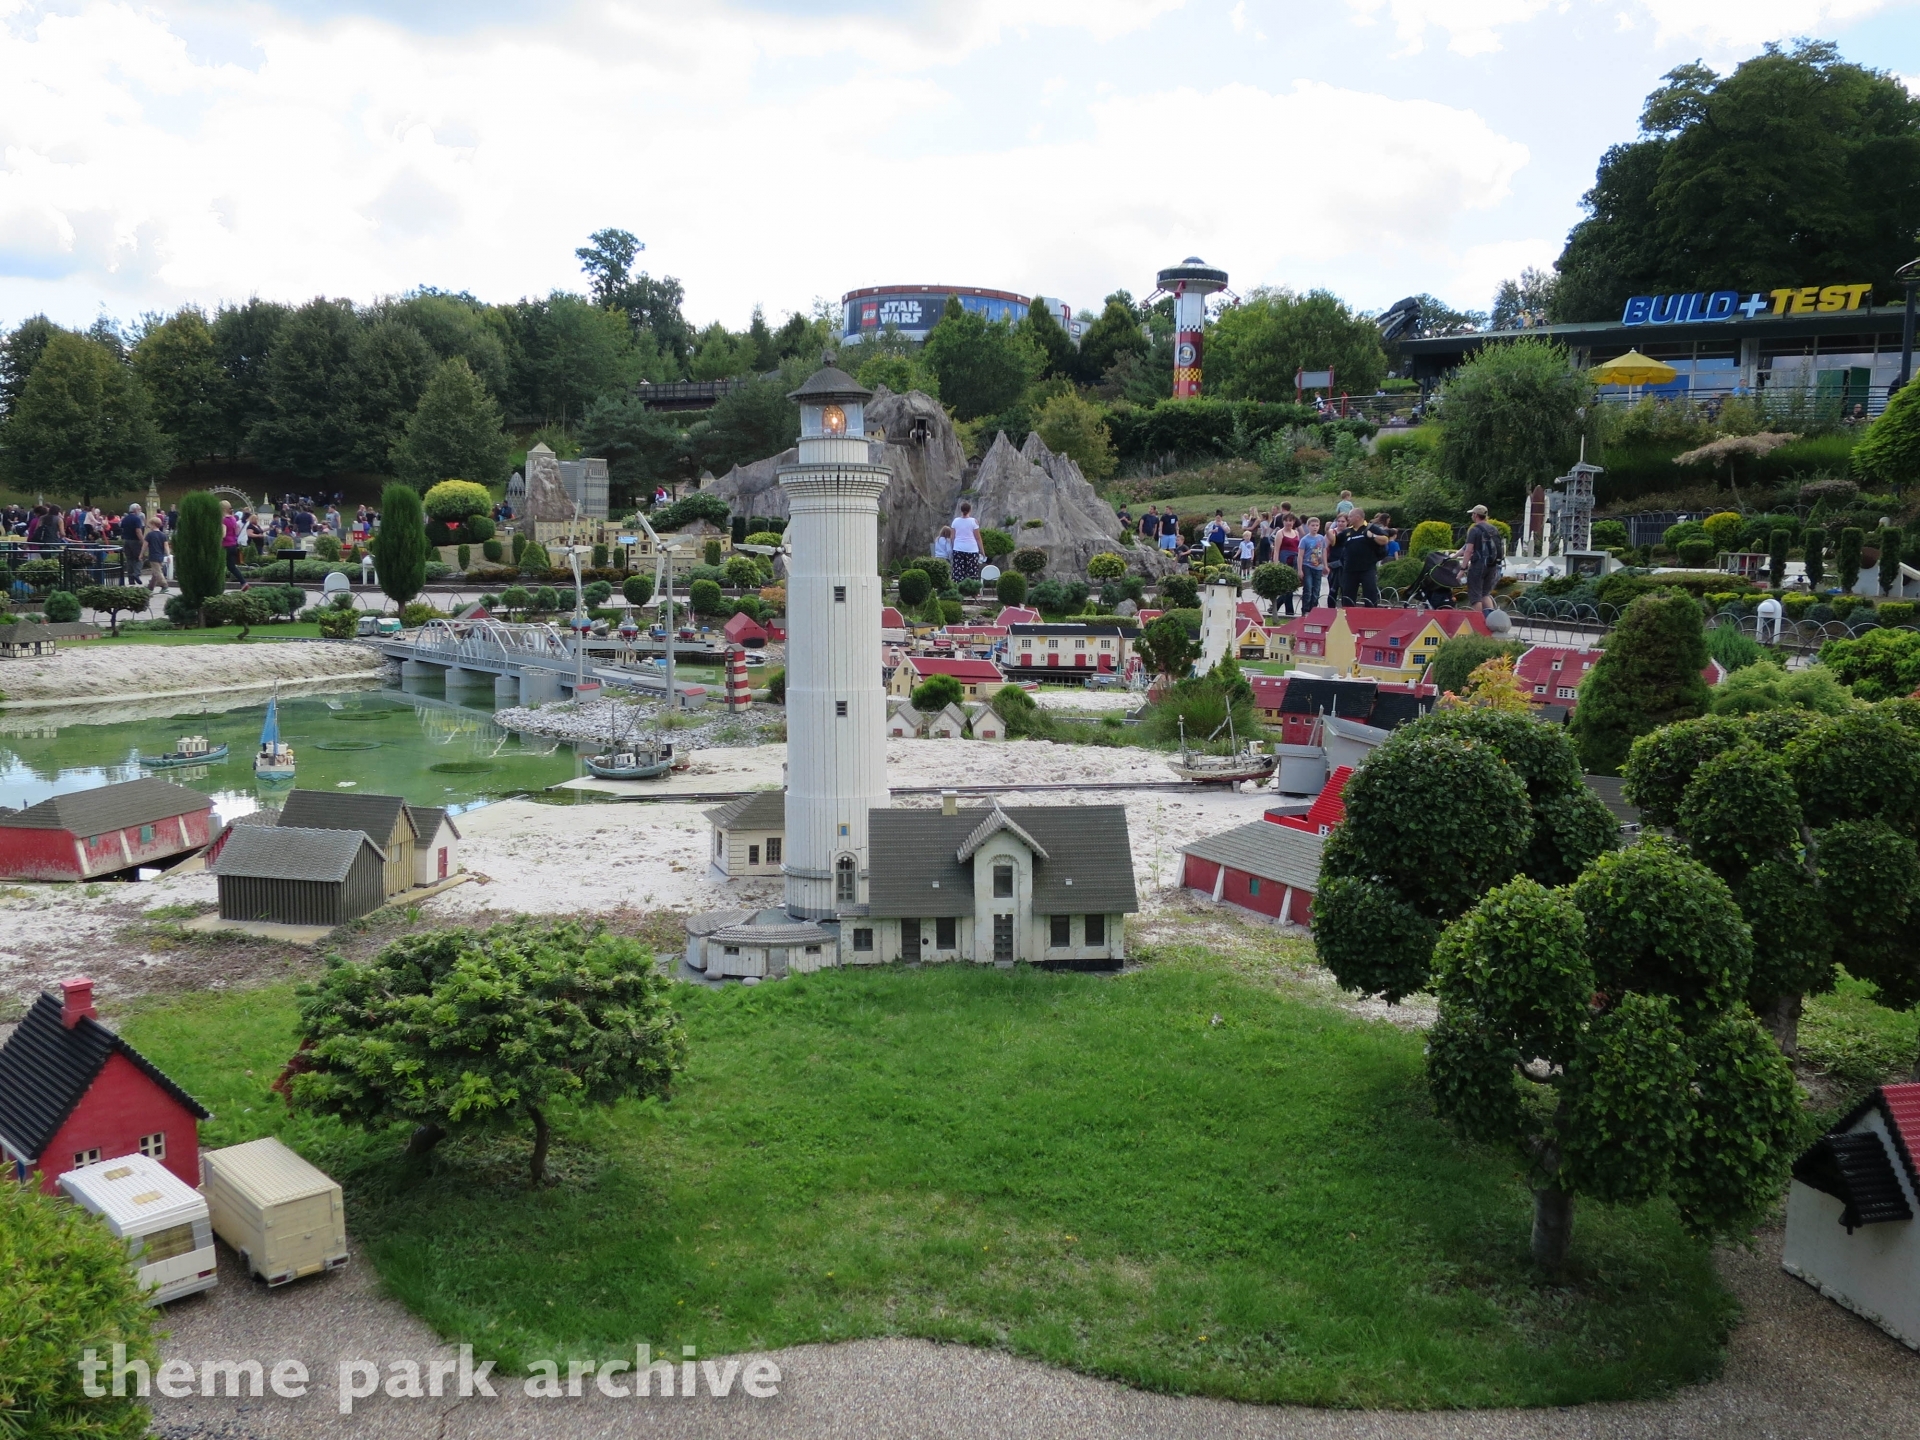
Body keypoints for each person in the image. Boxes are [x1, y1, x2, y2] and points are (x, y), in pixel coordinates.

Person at [1339, 511, 1391, 607]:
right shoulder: (1347, 531)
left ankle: (1371, 614)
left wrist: (1373, 536)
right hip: (1350, 569)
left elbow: (1385, 540)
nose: (1348, 518)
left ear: (1357, 517)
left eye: (1350, 516)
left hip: (1367, 568)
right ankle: (1348, 614)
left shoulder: (1371, 528)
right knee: (1347, 597)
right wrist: (1328, 531)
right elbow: (1335, 541)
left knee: (1370, 594)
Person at [1460, 504, 1505, 615]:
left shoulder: (1474, 530)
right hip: (1492, 565)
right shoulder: (1493, 529)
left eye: (1472, 514)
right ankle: (1490, 620)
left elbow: (1468, 550)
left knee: (1476, 596)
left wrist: (1462, 569)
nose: (1472, 516)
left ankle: (1478, 622)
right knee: (1485, 594)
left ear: (1475, 515)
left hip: (1478, 566)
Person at [1298, 517, 1327, 611]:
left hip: (1318, 567)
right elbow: (1300, 555)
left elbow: (1324, 552)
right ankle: (1305, 609)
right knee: (1308, 588)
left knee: (1316, 590)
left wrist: (1325, 565)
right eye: (1313, 525)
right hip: (1307, 566)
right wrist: (1300, 569)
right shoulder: (1304, 540)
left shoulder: (1321, 538)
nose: (1315, 527)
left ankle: (1313, 609)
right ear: (1308, 526)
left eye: (1317, 525)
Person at [950, 501, 982, 582]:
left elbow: (952, 537)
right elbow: (978, 538)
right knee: (972, 572)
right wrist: (982, 550)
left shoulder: (955, 521)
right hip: (972, 549)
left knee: (958, 572)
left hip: (958, 549)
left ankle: (958, 587)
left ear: (961, 510)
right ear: (970, 510)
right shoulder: (973, 521)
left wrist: (954, 547)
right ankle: (973, 588)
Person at [118, 503, 145, 582]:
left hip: (126, 541)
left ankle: (131, 579)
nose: (140, 511)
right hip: (135, 541)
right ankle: (136, 573)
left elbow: (121, 528)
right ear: (135, 510)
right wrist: (143, 541)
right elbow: (138, 531)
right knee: (139, 558)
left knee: (129, 559)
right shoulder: (137, 519)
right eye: (139, 509)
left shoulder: (125, 519)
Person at [143, 515, 170, 591]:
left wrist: (141, 554)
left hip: (153, 555)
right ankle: (150, 587)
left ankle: (164, 585)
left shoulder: (149, 535)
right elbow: (166, 546)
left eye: (150, 525)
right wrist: (168, 555)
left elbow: (144, 546)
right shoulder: (163, 535)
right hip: (160, 556)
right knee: (155, 572)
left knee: (157, 572)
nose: (149, 526)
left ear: (153, 524)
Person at [220, 500, 244, 580]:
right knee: (231, 567)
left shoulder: (223, 520)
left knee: (219, 565)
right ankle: (243, 582)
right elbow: (237, 531)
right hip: (233, 545)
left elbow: (223, 534)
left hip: (225, 546)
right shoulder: (233, 519)